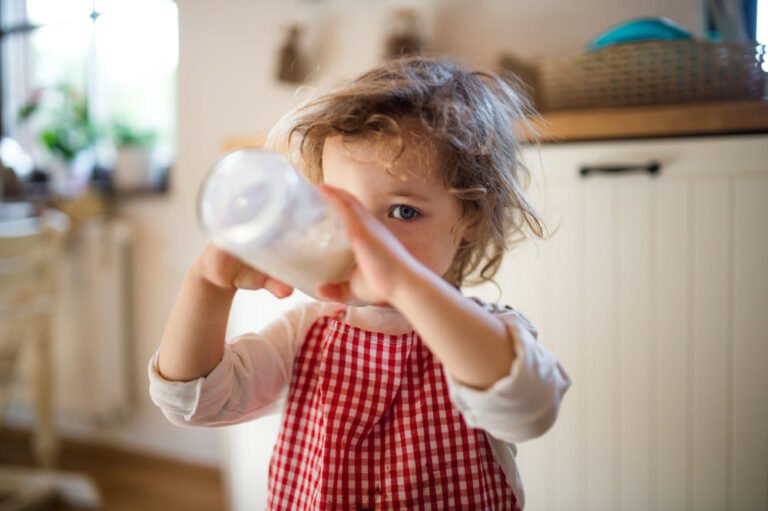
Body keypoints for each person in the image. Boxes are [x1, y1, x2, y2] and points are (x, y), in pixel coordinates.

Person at [149, 55, 570, 510]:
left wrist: (403, 283)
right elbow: (192, 403)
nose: (365, 239)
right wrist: (207, 288)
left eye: (403, 212)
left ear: (470, 216)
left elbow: (528, 409)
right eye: (344, 208)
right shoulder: (305, 334)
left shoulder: (488, 339)